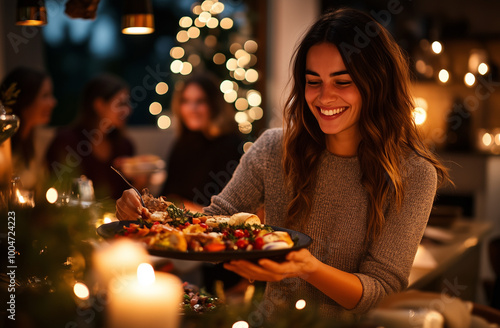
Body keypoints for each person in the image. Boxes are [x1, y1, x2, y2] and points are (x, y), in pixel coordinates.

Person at [116, 8, 450, 320]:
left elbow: (383, 290)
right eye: (313, 80)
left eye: (343, 81)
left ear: (377, 84)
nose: (323, 97)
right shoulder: (274, 148)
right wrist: (149, 219)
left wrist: (306, 268)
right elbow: (214, 225)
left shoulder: (414, 173)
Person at [161, 73, 243, 212]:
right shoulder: (182, 142)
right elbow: (166, 194)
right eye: (185, 101)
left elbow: (228, 208)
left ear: (214, 105)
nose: (192, 109)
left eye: (200, 101)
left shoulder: (230, 144)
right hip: (176, 224)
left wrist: (179, 205)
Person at [46, 73, 135, 201]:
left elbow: (125, 199)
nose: (128, 110)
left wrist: (140, 182)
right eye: (121, 104)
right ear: (99, 105)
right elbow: (54, 190)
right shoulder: (66, 142)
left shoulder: (124, 146)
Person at [0, 66, 57, 196]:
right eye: (45, 96)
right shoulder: (4, 142)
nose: (53, 102)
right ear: (25, 100)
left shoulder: (37, 140)